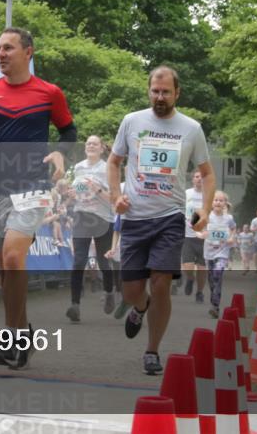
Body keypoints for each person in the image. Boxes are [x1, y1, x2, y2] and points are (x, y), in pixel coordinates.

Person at [0, 27, 76, 369]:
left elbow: (68, 130)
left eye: (8, 48)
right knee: (3, 268)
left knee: (13, 258)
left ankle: (10, 335)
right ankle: (23, 329)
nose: (1, 53)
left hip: (31, 187)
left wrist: (60, 155)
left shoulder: (49, 92)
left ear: (29, 52)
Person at [108, 65, 215, 375]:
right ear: (148, 91)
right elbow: (114, 163)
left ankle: (152, 350)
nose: (160, 97)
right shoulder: (132, 122)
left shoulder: (191, 128)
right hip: (135, 218)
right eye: (155, 91)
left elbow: (207, 174)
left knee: (161, 283)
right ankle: (140, 308)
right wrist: (116, 196)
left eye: (166, 92)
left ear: (177, 93)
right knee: (131, 291)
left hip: (169, 217)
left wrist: (204, 211)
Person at [66, 135, 116, 323]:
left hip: (103, 218)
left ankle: (109, 292)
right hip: (82, 215)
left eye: (95, 143)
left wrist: (96, 190)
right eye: (88, 143)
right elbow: (78, 193)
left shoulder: (108, 168)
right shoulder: (78, 167)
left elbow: (113, 199)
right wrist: (73, 194)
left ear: (102, 148)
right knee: (79, 261)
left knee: (104, 263)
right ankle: (75, 305)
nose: (90, 145)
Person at [204, 191, 237, 318]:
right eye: (215, 200)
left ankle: (215, 307)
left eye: (221, 200)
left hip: (222, 252)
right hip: (209, 252)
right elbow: (198, 226)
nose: (218, 202)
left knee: (218, 273)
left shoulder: (228, 218)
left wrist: (231, 238)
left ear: (225, 204)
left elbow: (233, 228)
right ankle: (214, 300)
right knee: (212, 280)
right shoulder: (207, 216)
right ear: (211, 203)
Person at [180, 170, 208, 302]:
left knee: (202, 268)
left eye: (201, 177)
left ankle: (200, 292)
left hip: (203, 237)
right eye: (197, 176)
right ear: (193, 179)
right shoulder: (187, 194)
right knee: (188, 265)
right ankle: (190, 279)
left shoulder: (208, 195)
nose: (199, 179)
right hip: (188, 235)